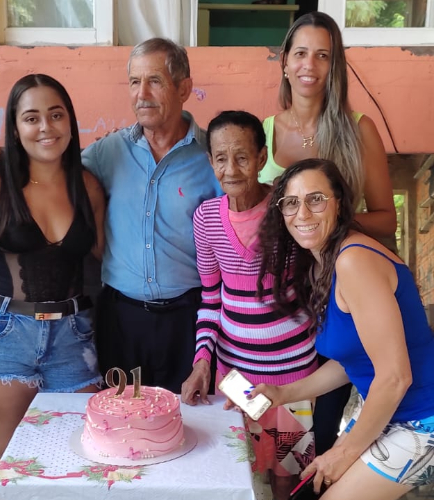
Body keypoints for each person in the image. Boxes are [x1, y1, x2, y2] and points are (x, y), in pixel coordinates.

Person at [0, 38, 222, 394]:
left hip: (188, 320)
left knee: (189, 418)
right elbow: (47, 160)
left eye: (155, 81)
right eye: (134, 81)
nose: (141, 94)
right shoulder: (107, 152)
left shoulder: (212, 159)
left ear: (184, 88)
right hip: (121, 319)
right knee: (119, 419)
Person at [0, 73, 105, 471]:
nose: (46, 127)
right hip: (0, 337)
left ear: (70, 121)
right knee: (11, 464)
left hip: (73, 338)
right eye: (31, 118)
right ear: (15, 128)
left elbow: (104, 254)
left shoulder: (87, 186)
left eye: (56, 115)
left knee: (79, 459)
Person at [250, 158, 434, 500]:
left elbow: (395, 378)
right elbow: (352, 361)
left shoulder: (354, 261)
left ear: (339, 203)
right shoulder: (325, 264)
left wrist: (345, 453)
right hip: (387, 411)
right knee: (313, 488)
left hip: (423, 419)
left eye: (316, 199)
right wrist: (283, 393)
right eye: (291, 202)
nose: (303, 213)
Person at [259, 11, 397, 455]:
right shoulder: (263, 133)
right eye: (301, 53)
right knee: (274, 428)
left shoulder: (359, 130)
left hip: (337, 298)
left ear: (335, 66)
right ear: (284, 61)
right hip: (279, 305)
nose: (310, 65)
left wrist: (325, 227)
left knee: (322, 429)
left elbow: (386, 220)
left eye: (323, 55)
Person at [181, 111, 317, 500]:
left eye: (242, 157)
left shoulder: (288, 210)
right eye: (221, 158)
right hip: (236, 379)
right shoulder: (206, 219)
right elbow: (210, 299)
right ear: (210, 162)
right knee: (246, 474)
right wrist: (202, 362)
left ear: (261, 158)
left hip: (292, 377)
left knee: (289, 478)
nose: (231, 169)